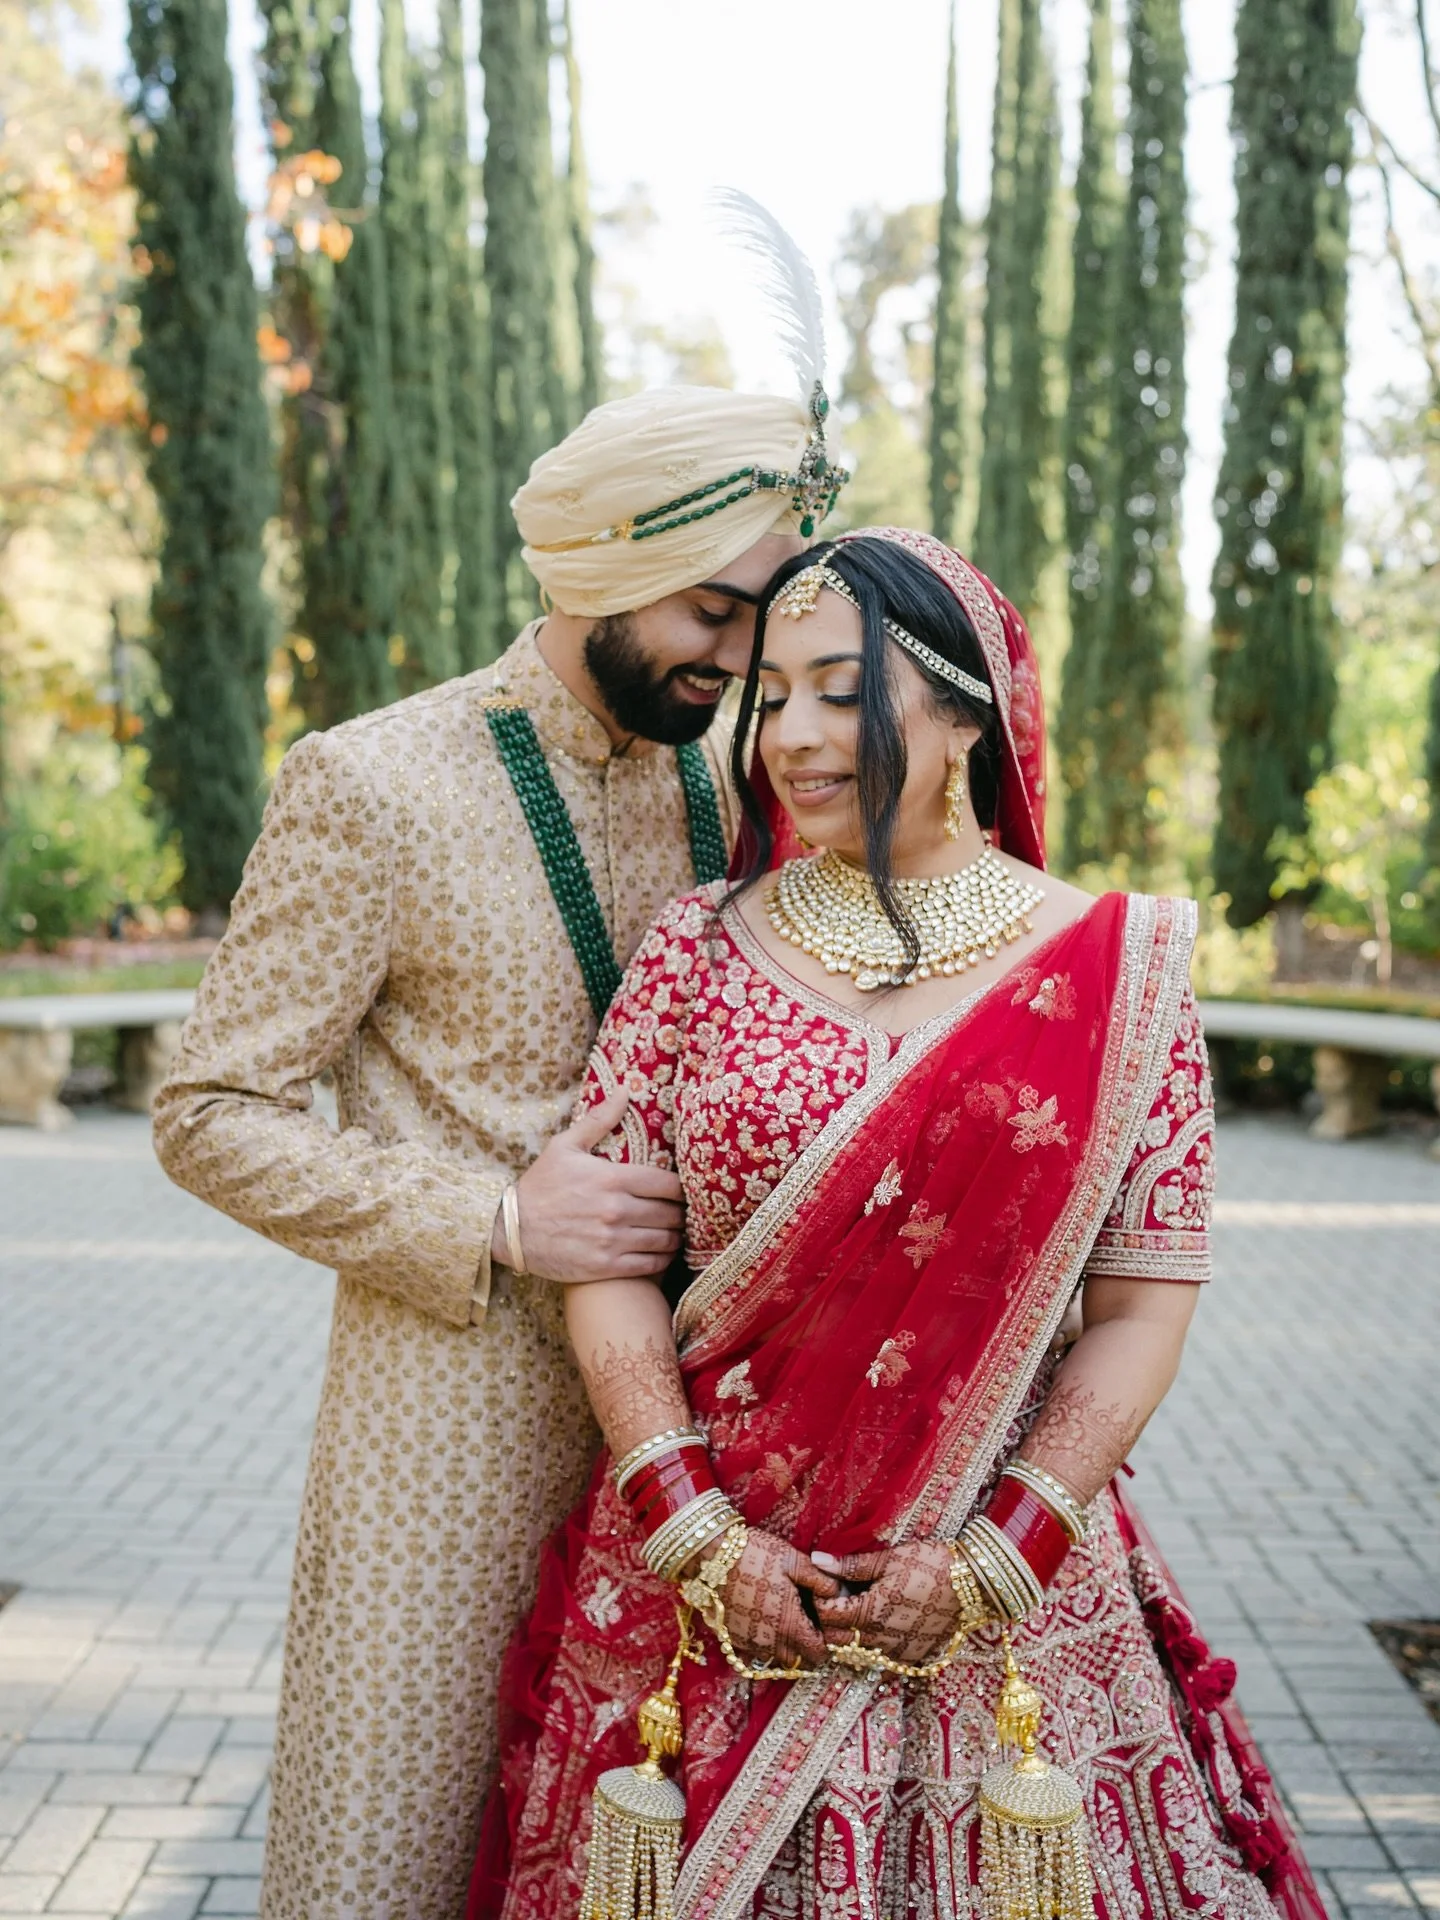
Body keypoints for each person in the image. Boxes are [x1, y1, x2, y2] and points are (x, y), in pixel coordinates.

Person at [472, 529, 1326, 1920]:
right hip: (705, 1575)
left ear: (965, 712)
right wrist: (695, 1532)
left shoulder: (1122, 973)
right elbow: (614, 1261)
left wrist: (995, 1558)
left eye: (838, 691)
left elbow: (1144, 1304)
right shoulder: (694, 946)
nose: (790, 738)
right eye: (774, 699)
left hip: (1007, 1604)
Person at [151, 380, 850, 1919]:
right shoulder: (374, 783)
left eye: (761, 621)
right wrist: (495, 1216)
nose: (735, 662)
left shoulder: (729, 787)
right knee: (398, 1849)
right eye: (711, 611)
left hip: (711, 1445)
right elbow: (208, 1111)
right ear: (597, 560)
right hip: (446, 1448)